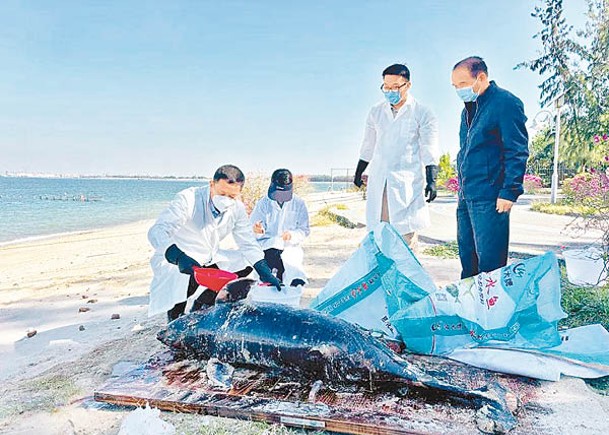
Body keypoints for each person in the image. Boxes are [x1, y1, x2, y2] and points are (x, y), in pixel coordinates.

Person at [147, 164, 282, 321]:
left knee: (246, 263)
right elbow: (158, 231)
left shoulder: (236, 208)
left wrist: (264, 271)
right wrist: (177, 256)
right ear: (212, 184)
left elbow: (248, 243)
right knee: (181, 286)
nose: (226, 200)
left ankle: (202, 305)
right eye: (222, 193)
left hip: (209, 256)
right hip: (180, 257)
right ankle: (175, 316)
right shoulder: (188, 199)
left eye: (231, 196)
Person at [451, 56, 529, 279]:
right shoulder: (468, 110)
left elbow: (517, 150)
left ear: (481, 77)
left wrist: (509, 191)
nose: (459, 90)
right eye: (455, 86)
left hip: (491, 197)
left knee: (490, 264)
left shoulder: (505, 103)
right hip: (467, 196)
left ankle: (492, 312)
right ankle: (470, 308)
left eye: (463, 84)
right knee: (468, 259)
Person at [353, 63, 440, 252]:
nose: (389, 91)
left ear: (407, 85)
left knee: (405, 236)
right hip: (380, 179)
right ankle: (382, 278)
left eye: (395, 87)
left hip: (406, 181)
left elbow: (429, 148)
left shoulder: (422, 112)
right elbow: (368, 144)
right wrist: (359, 172)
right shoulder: (376, 111)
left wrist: (432, 180)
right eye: (386, 87)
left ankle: (406, 278)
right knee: (379, 232)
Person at [250, 168, 310, 287]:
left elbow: (304, 230)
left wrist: (292, 235)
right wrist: (257, 230)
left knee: (293, 272)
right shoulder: (263, 203)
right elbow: (253, 227)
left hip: (289, 246)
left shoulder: (299, 203)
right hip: (267, 245)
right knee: (265, 278)